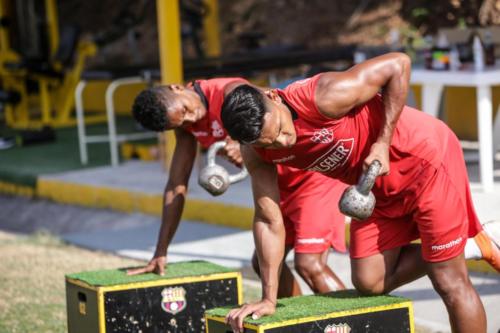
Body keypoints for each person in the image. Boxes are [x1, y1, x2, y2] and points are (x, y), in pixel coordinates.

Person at [220, 52, 500, 333]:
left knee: (448, 281)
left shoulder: (324, 95)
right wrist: (269, 298)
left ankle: (454, 251)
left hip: (425, 160)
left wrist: (382, 141)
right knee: (371, 281)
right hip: (374, 187)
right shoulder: (256, 152)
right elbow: (269, 221)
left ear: (274, 97)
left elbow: (398, 63)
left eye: (280, 129)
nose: (284, 141)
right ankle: (475, 244)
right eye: (271, 144)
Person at [126, 77, 348, 297]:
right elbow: (176, 186)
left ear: (176, 88)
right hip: (276, 186)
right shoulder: (188, 127)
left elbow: (261, 101)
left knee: (309, 264)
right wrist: (161, 250)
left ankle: (360, 323)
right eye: (181, 122)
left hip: (311, 178)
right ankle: (296, 322)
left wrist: (237, 137)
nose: (190, 118)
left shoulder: (226, 90)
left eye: (185, 110)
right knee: (265, 264)